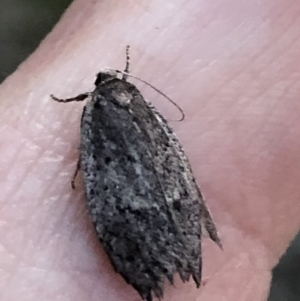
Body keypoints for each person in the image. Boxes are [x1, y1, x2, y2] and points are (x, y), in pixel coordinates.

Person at [0, 1, 299, 300]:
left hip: (122, 202)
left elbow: (90, 154)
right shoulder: (126, 103)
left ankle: (161, 265)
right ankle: (165, 264)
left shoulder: (96, 107)